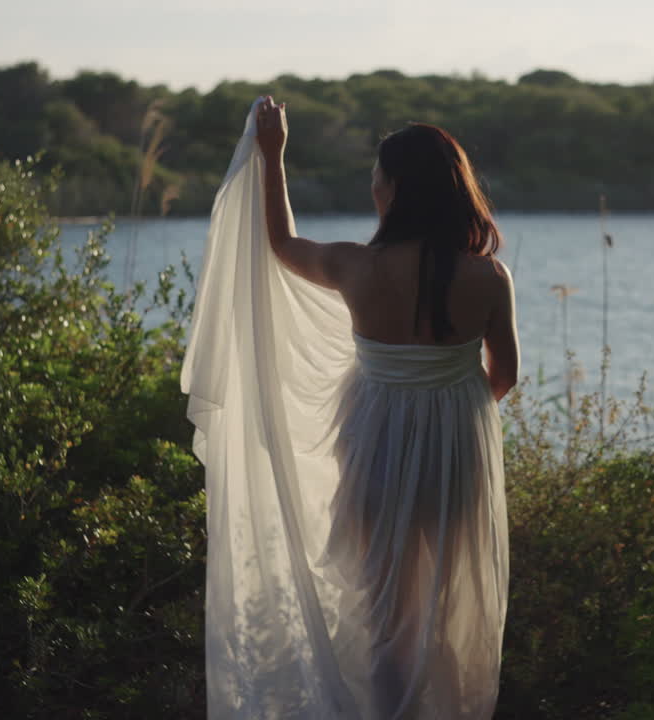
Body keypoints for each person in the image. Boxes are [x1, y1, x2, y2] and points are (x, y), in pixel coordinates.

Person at [182, 95, 517, 720]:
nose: (372, 184)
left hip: (377, 445)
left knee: (387, 612)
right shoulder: (490, 278)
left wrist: (272, 155)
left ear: (392, 191)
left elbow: (279, 242)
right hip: (456, 454)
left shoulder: (354, 265)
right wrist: (449, 411)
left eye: (376, 175)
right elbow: (506, 376)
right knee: (445, 604)